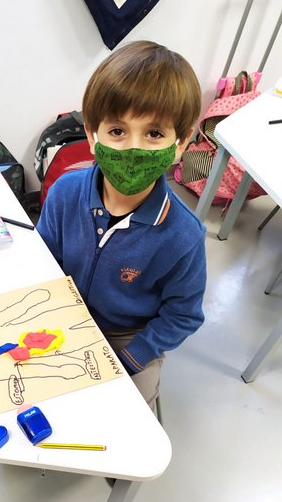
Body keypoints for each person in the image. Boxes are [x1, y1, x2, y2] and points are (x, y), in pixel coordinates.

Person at [36, 40, 207, 413]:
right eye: (117, 131)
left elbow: (183, 314)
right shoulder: (65, 193)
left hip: (128, 335)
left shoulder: (184, 235)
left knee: (128, 416)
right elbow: (43, 261)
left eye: (154, 134)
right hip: (66, 313)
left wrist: (135, 355)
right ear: (92, 134)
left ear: (180, 144)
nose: (132, 149)